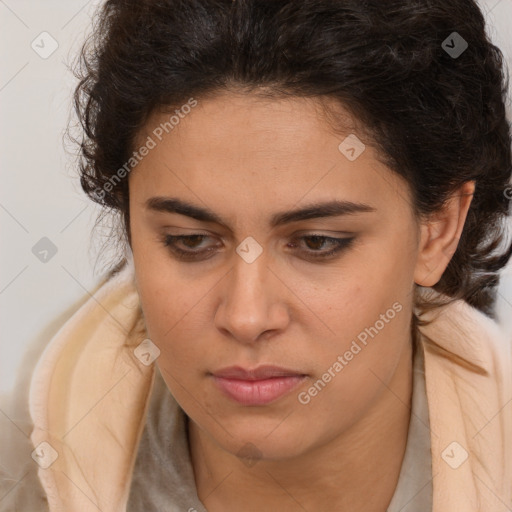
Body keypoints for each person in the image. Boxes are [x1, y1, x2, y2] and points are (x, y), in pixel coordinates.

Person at [1, 0, 512, 511]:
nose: (246, 317)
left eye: (318, 243)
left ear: (437, 230)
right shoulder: (25, 466)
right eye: (191, 241)